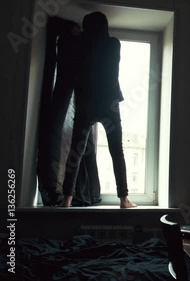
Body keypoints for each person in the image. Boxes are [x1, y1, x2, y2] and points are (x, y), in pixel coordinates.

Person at [60, 11, 136, 208]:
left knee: (76, 152)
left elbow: (75, 47)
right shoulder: (113, 44)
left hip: (86, 103)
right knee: (116, 151)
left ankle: (67, 199)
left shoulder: (80, 45)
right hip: (109, 104)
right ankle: (123, 199)